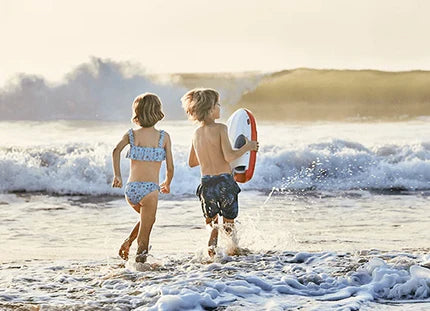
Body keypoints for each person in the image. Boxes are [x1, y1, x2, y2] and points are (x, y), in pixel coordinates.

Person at [181, 88, 259, 257]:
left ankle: (212, 256)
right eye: (217, 104)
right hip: (224, 182)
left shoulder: (196, 133)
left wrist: (209, 155)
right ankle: (233, 251)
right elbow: (230, 156)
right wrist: (248, 146)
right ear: (210, 110)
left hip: (206, 184)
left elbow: (192, 162)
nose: (219, 107)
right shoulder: (221, 129)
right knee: (229, 223)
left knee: (213, 224)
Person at [112, 93, 174, 263]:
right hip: (149, 191)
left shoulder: (132, 134)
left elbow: (115, 151)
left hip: (131, 190)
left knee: (146, 220)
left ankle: (127, 242)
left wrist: (117, 175)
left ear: (137, 113)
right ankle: (139, 271)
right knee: (145, 236)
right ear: (157, 112)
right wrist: (167, 182)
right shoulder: (163, 137)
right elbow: (170, 167)